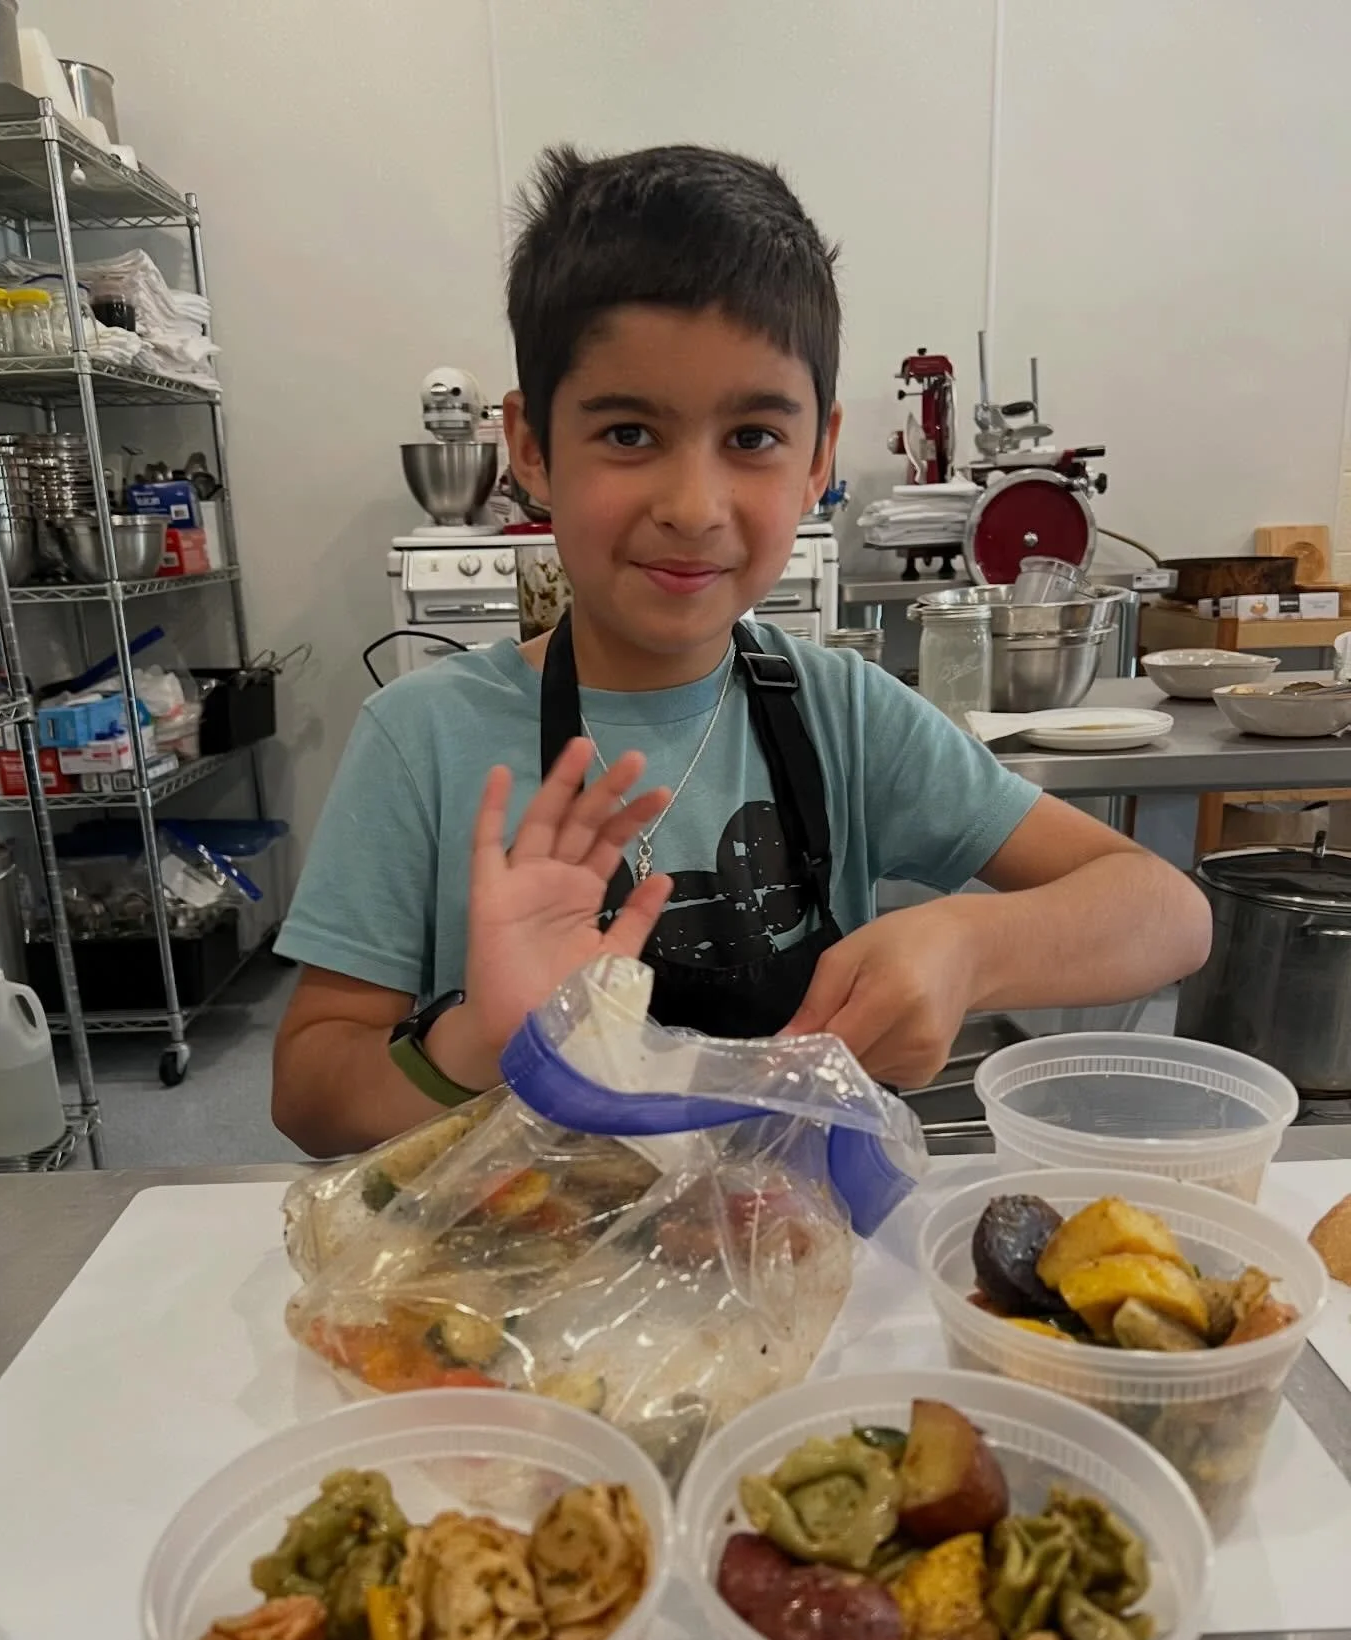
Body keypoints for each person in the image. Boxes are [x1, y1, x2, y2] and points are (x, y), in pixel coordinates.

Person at [272, 144, 1210, 1158]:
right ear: (531, 447)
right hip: (525, 1289)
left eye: (753, 438)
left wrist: (965, 945)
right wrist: (479, 1041)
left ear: (817, 458)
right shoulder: (425, 740)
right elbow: (311, 1092)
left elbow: (1165, 912)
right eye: (629, 433)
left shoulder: (844, 714)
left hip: (795, 1281)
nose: (692, 507)